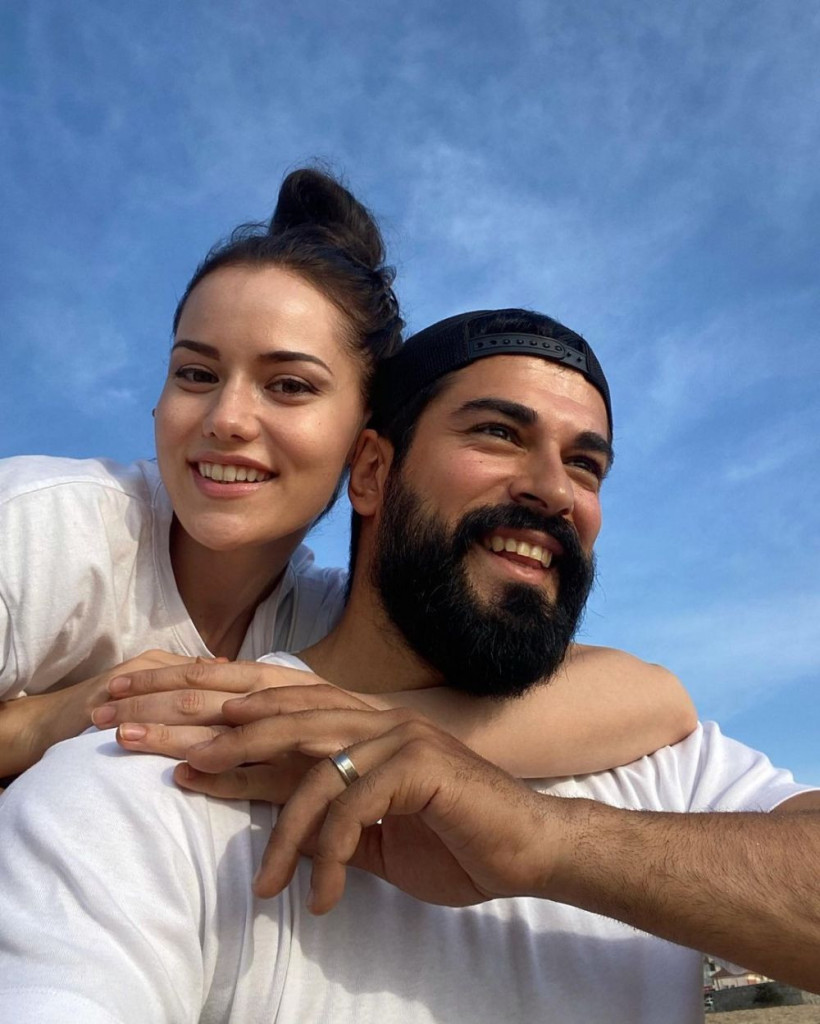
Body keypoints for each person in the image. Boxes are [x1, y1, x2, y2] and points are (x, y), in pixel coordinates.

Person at [0, 308, 816, 1023]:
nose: (554, 490)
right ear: (371, 472)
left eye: (585, 464)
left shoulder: (665, 767)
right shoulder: (173, 767)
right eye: (498, 433)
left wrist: (547, 841)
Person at [0, 170, 694, 784]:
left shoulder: (319, 616)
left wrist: (349, 728)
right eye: (197, 374)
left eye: (289, 385)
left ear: (366, 447)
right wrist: (43, 723)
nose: (227, 418)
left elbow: (656, 699)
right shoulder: (43, 528)